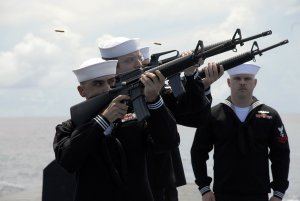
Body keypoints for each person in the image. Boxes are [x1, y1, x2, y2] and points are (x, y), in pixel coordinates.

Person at [98, 37, 223, 201]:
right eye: (130, 60)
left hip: (162, 189)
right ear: (112, 69)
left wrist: (191, 77)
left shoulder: (156, 91)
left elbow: (196, 117)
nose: (139, 64)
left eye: (139, 58)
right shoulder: (103, 105)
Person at [53, 58, 180, 201]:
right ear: (81, 91)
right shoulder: (69, 128)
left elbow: (169, 142)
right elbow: (68, 161)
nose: (107, 88)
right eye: (98, 83)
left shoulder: (134, 118)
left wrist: (154, 100)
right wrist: (102, 121)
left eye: (111, 81)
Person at [191, 63, 290, 201]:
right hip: (223, 194)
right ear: (229, 82)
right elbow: (198, 151)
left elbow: (281, 155)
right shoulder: (213, 115)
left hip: (258, 195)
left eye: (247, 79)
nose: (242, 82)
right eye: (237, 78)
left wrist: (279, 192)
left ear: (254, 83)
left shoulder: (271, 116)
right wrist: (204, 188)